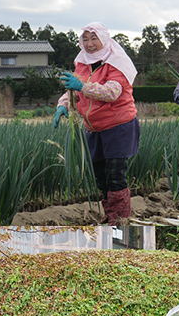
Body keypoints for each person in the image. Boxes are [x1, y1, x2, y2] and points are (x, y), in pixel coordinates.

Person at [53, 22, 140, 225]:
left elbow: (112, 92)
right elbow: (73, 91)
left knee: (115, 175)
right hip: (94, 128)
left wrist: (82, 86)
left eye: (94, 38)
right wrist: (63, 104)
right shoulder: (82, 63)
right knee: (101, 177)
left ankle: (120, 220)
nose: (90, 44)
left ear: (104, 39)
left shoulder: (117, 62)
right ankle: (110, 216)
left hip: (118, 125)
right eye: (85, 38)